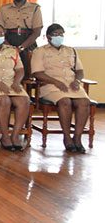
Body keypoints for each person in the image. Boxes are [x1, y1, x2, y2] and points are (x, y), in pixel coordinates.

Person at [31, 24, 91, 153]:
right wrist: (56, 82)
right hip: (50, 85)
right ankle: (67, 137)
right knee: (65, 102)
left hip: (71, 84)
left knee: (84, 102)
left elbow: (79, 71)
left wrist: (77, 80)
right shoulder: (40, 51)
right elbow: (37, 73)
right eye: (56, 34)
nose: (60, 36)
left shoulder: (71, 50)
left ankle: (78, 137)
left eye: (61, 34)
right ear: (48, 37)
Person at [0, 0, 43, 68]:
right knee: (8, 70)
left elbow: (37, 32)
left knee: (28, 72)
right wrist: (9, 47)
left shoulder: (35, 8)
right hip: (8, 42)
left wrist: (21, 48)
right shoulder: (4, 9)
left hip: (28, 42)